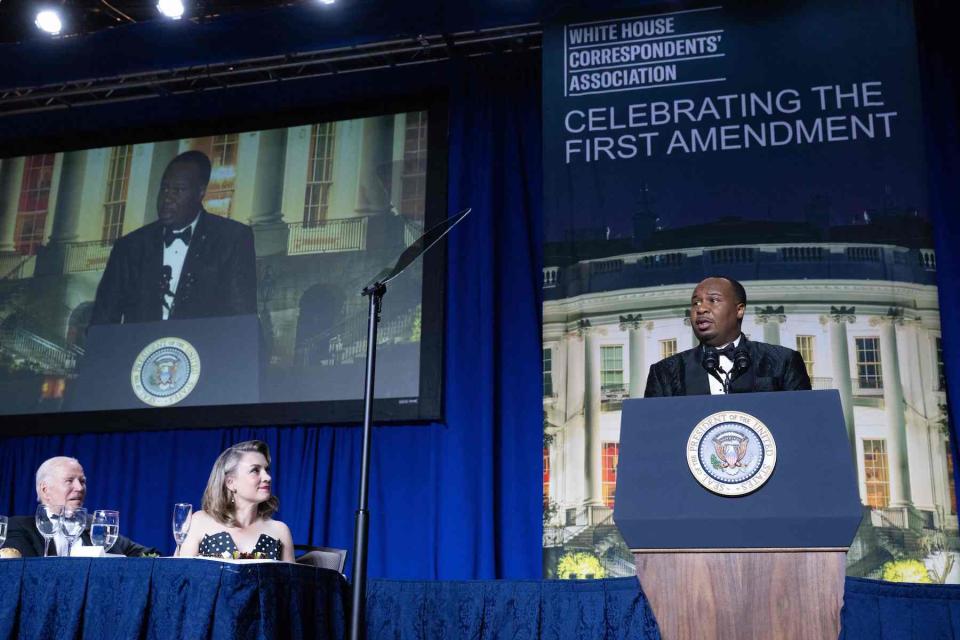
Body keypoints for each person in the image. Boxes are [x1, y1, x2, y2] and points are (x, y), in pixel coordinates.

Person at [90, 150, 257, 324]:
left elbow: (242, 321)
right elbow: (102, 323)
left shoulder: (232, 239)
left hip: (207, 348)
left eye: (178, 190)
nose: (167, 198)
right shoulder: (129, 248)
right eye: (164, 188)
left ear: (201, 192)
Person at [644, 276, 812, 397]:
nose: (701, 309)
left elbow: (803, 424)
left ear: (739, 310)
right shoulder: (664, 372)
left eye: (713, 300)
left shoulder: (783, 361)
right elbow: (652, 434)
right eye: (696, 303)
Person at [4, 456, 158, 557]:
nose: (79, 488)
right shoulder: (18, 527)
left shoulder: (97, 527)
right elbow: (22, 572)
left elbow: (149, 556)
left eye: (82, 481)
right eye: (69, 481)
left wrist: (182, 542)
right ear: (45, 490)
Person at [179, 440, 294, 562]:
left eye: (267, 470)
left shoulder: (280, 530)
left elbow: (292, 580)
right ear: (230, 482)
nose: (267, 477)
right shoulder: (198, 521)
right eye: (255, 470)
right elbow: (180, 575)